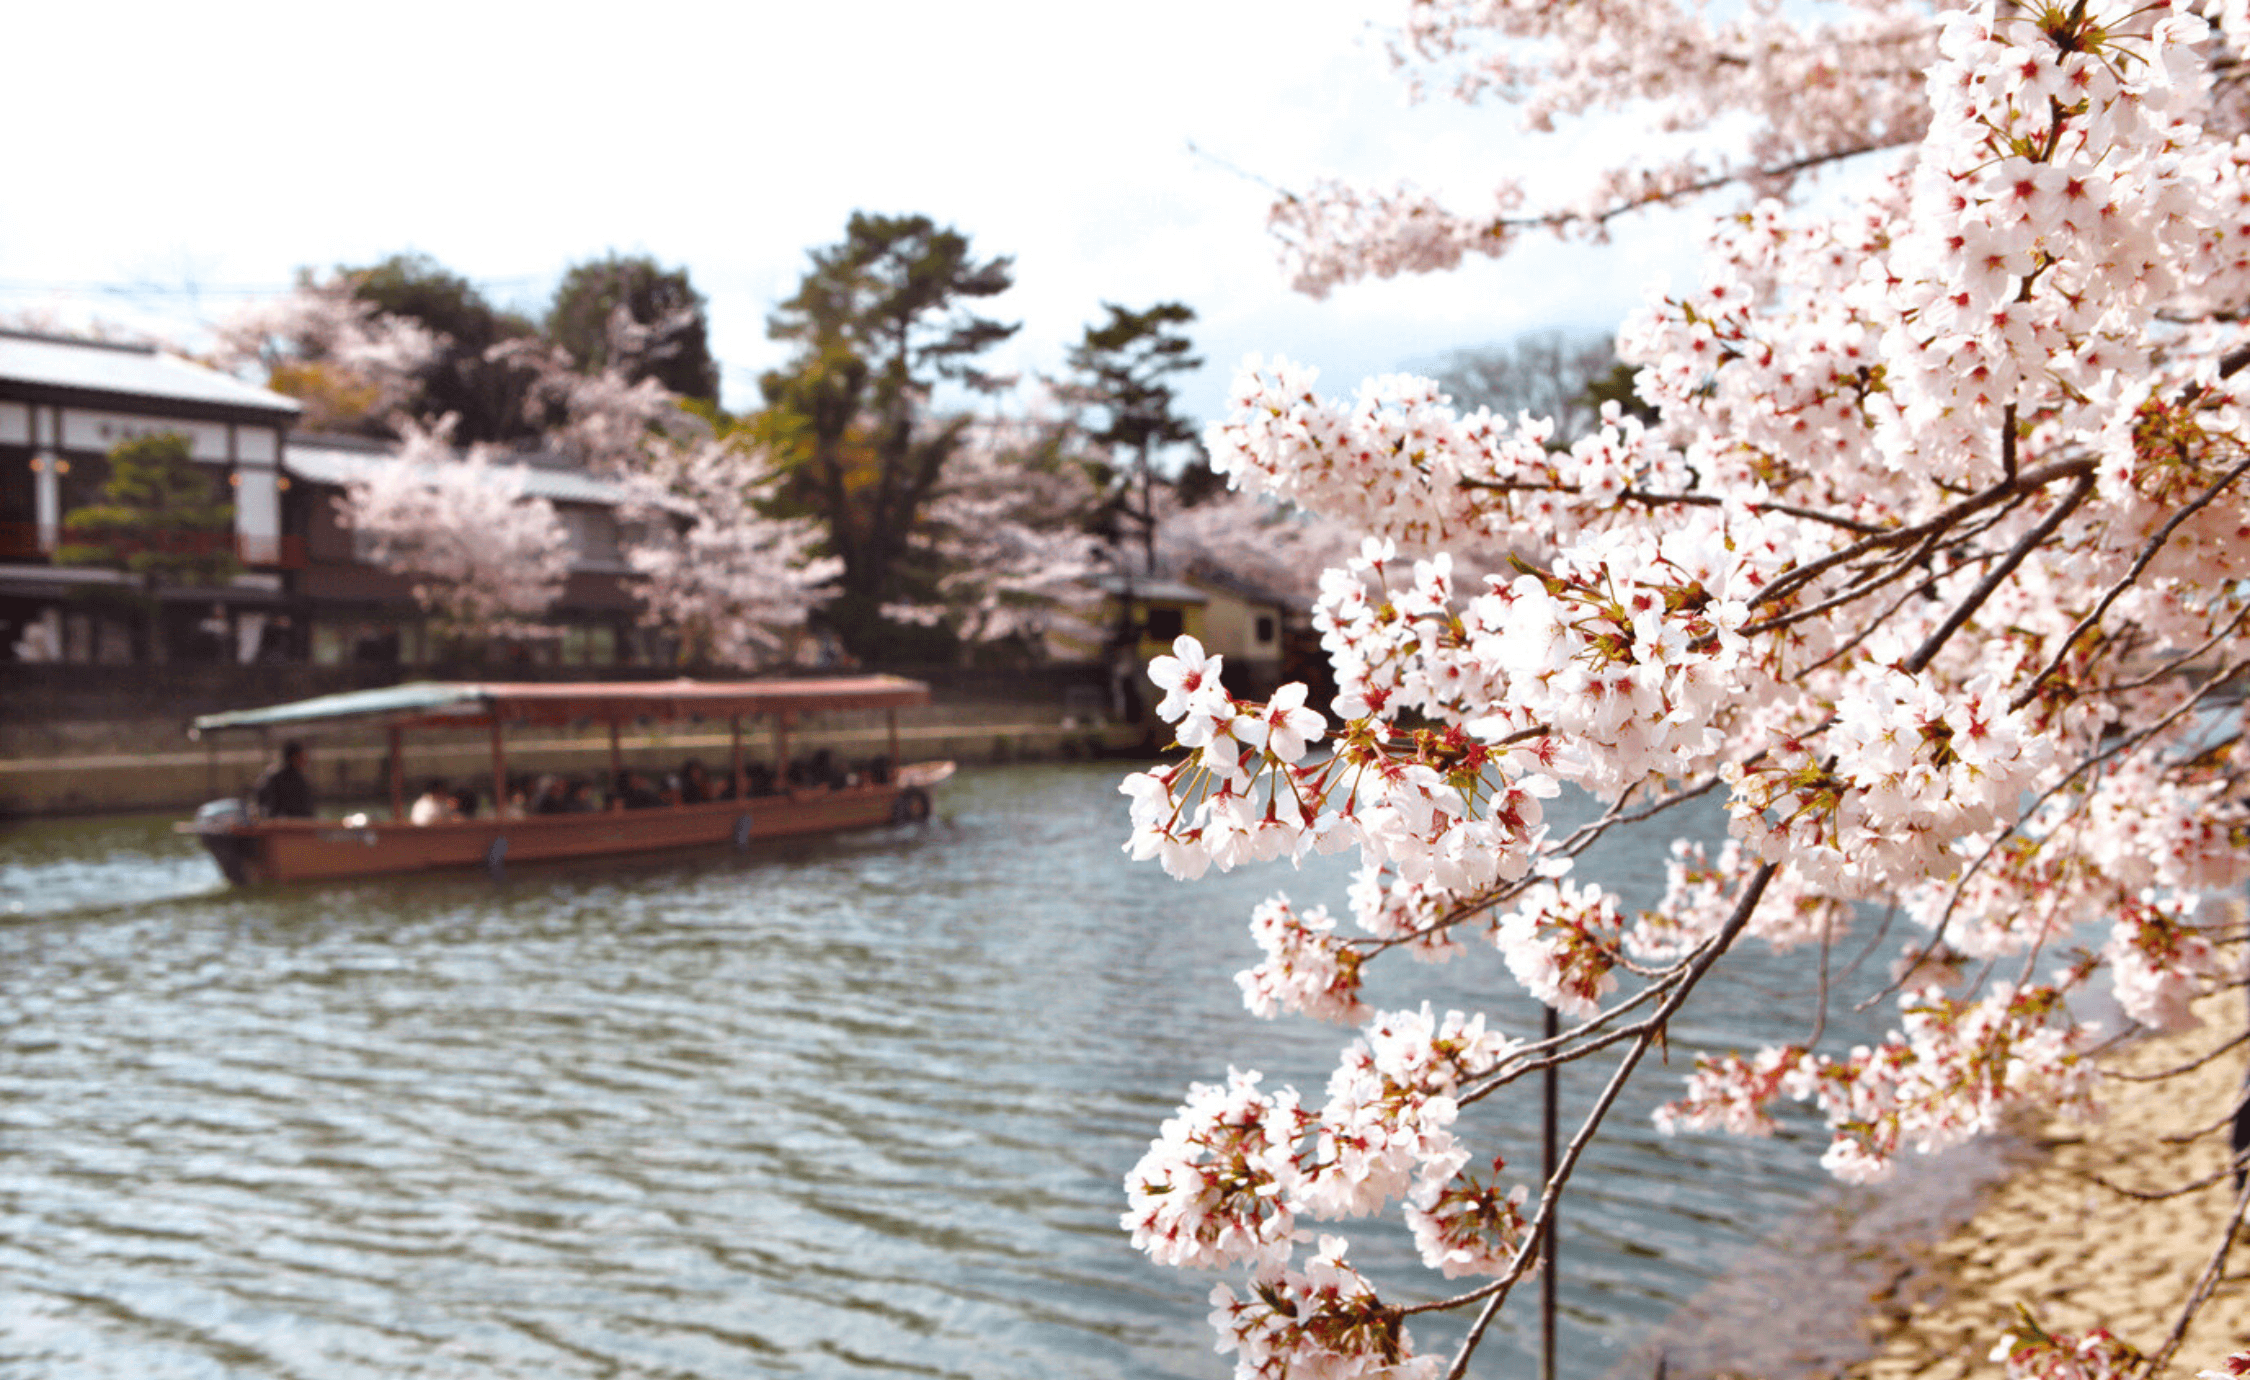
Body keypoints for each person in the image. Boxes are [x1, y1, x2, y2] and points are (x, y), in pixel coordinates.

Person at [251, 740, 315, 819]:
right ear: (294, 757)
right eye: (301, 756)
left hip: (280, 824)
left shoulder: (273, 778)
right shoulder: (296, 780)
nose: (305, 759)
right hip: (290, 825)